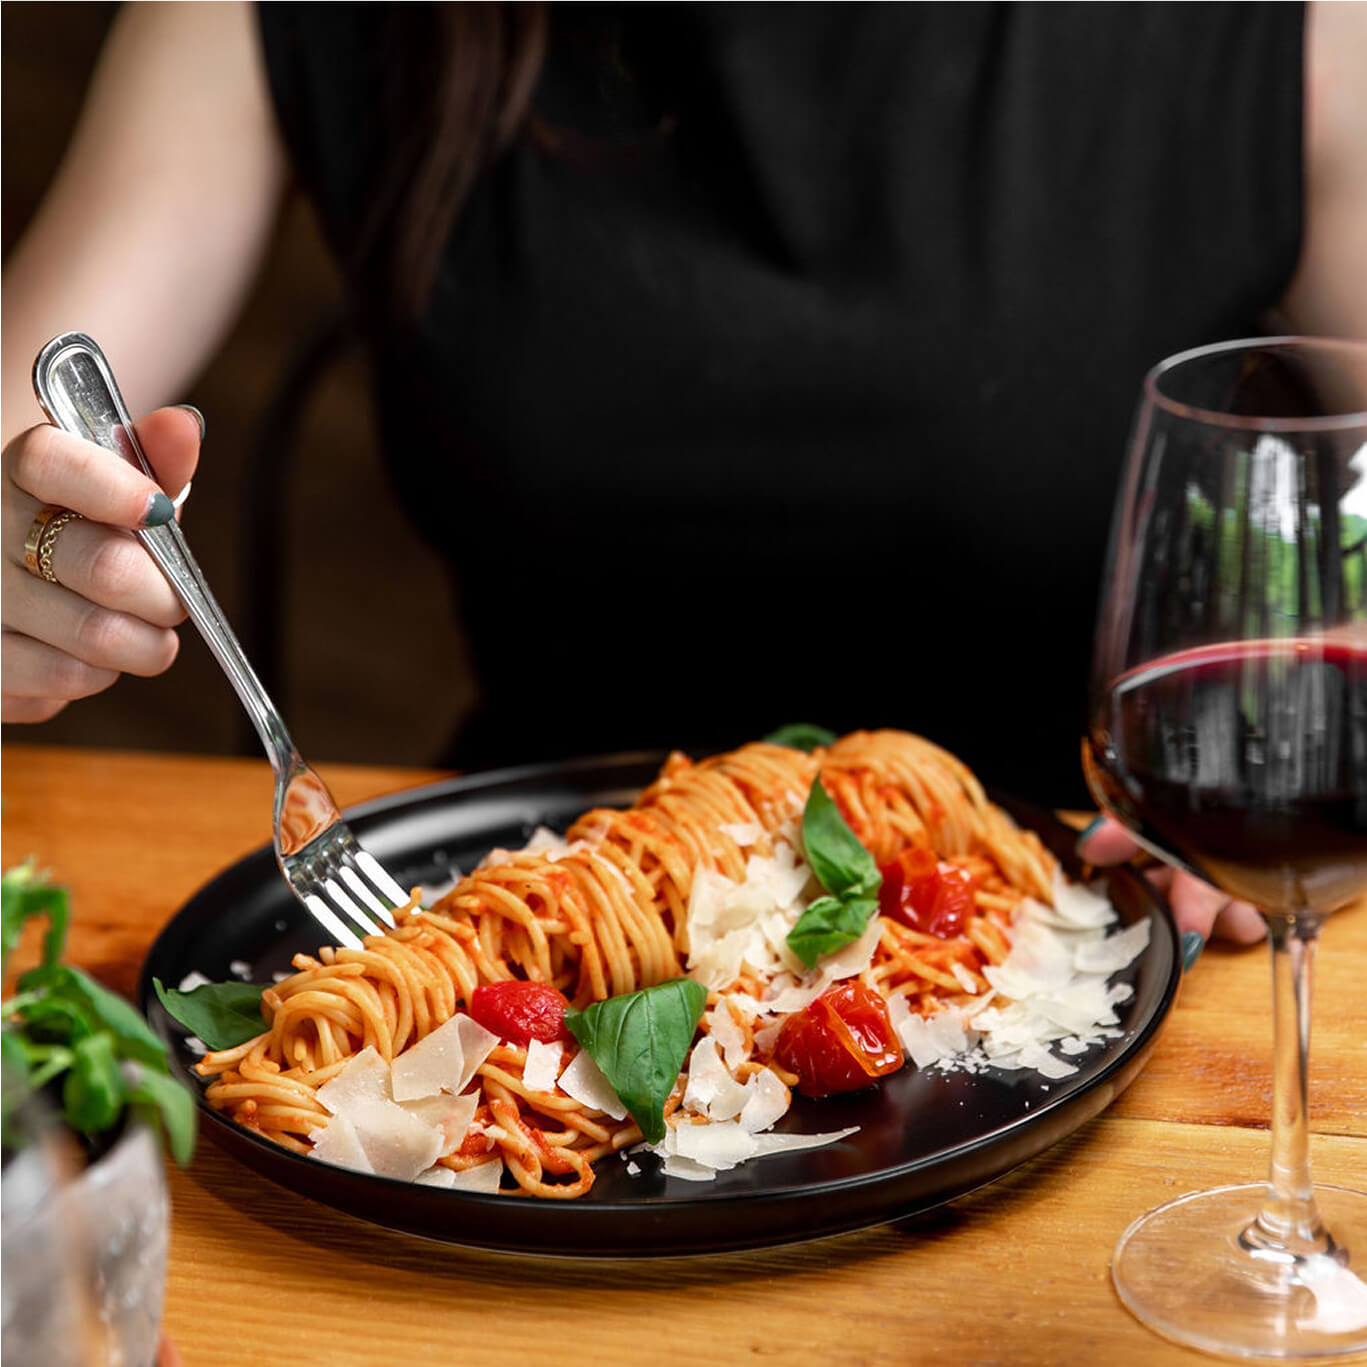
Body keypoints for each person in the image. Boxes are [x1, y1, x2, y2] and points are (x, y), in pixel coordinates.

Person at [3, 4, 1364, 952]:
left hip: (1115, 953)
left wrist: (1280, 771)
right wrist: (26, 563)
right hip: (519, 939)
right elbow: (18, 432)